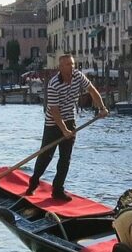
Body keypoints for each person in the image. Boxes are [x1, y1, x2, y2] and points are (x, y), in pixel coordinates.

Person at [25, 53, 107, 200]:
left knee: (65, 158)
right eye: (68, 64)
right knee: (46, 156)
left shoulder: (78, 76)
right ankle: (33, 183)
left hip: (70, 119)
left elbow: (92, 90)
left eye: (73, 64)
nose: (72, 67)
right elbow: (55, 111)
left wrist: (101, 108)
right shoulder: (54, 84)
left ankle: (57, 189)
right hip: (53, 123)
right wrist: (64, 130)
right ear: (60, 67)